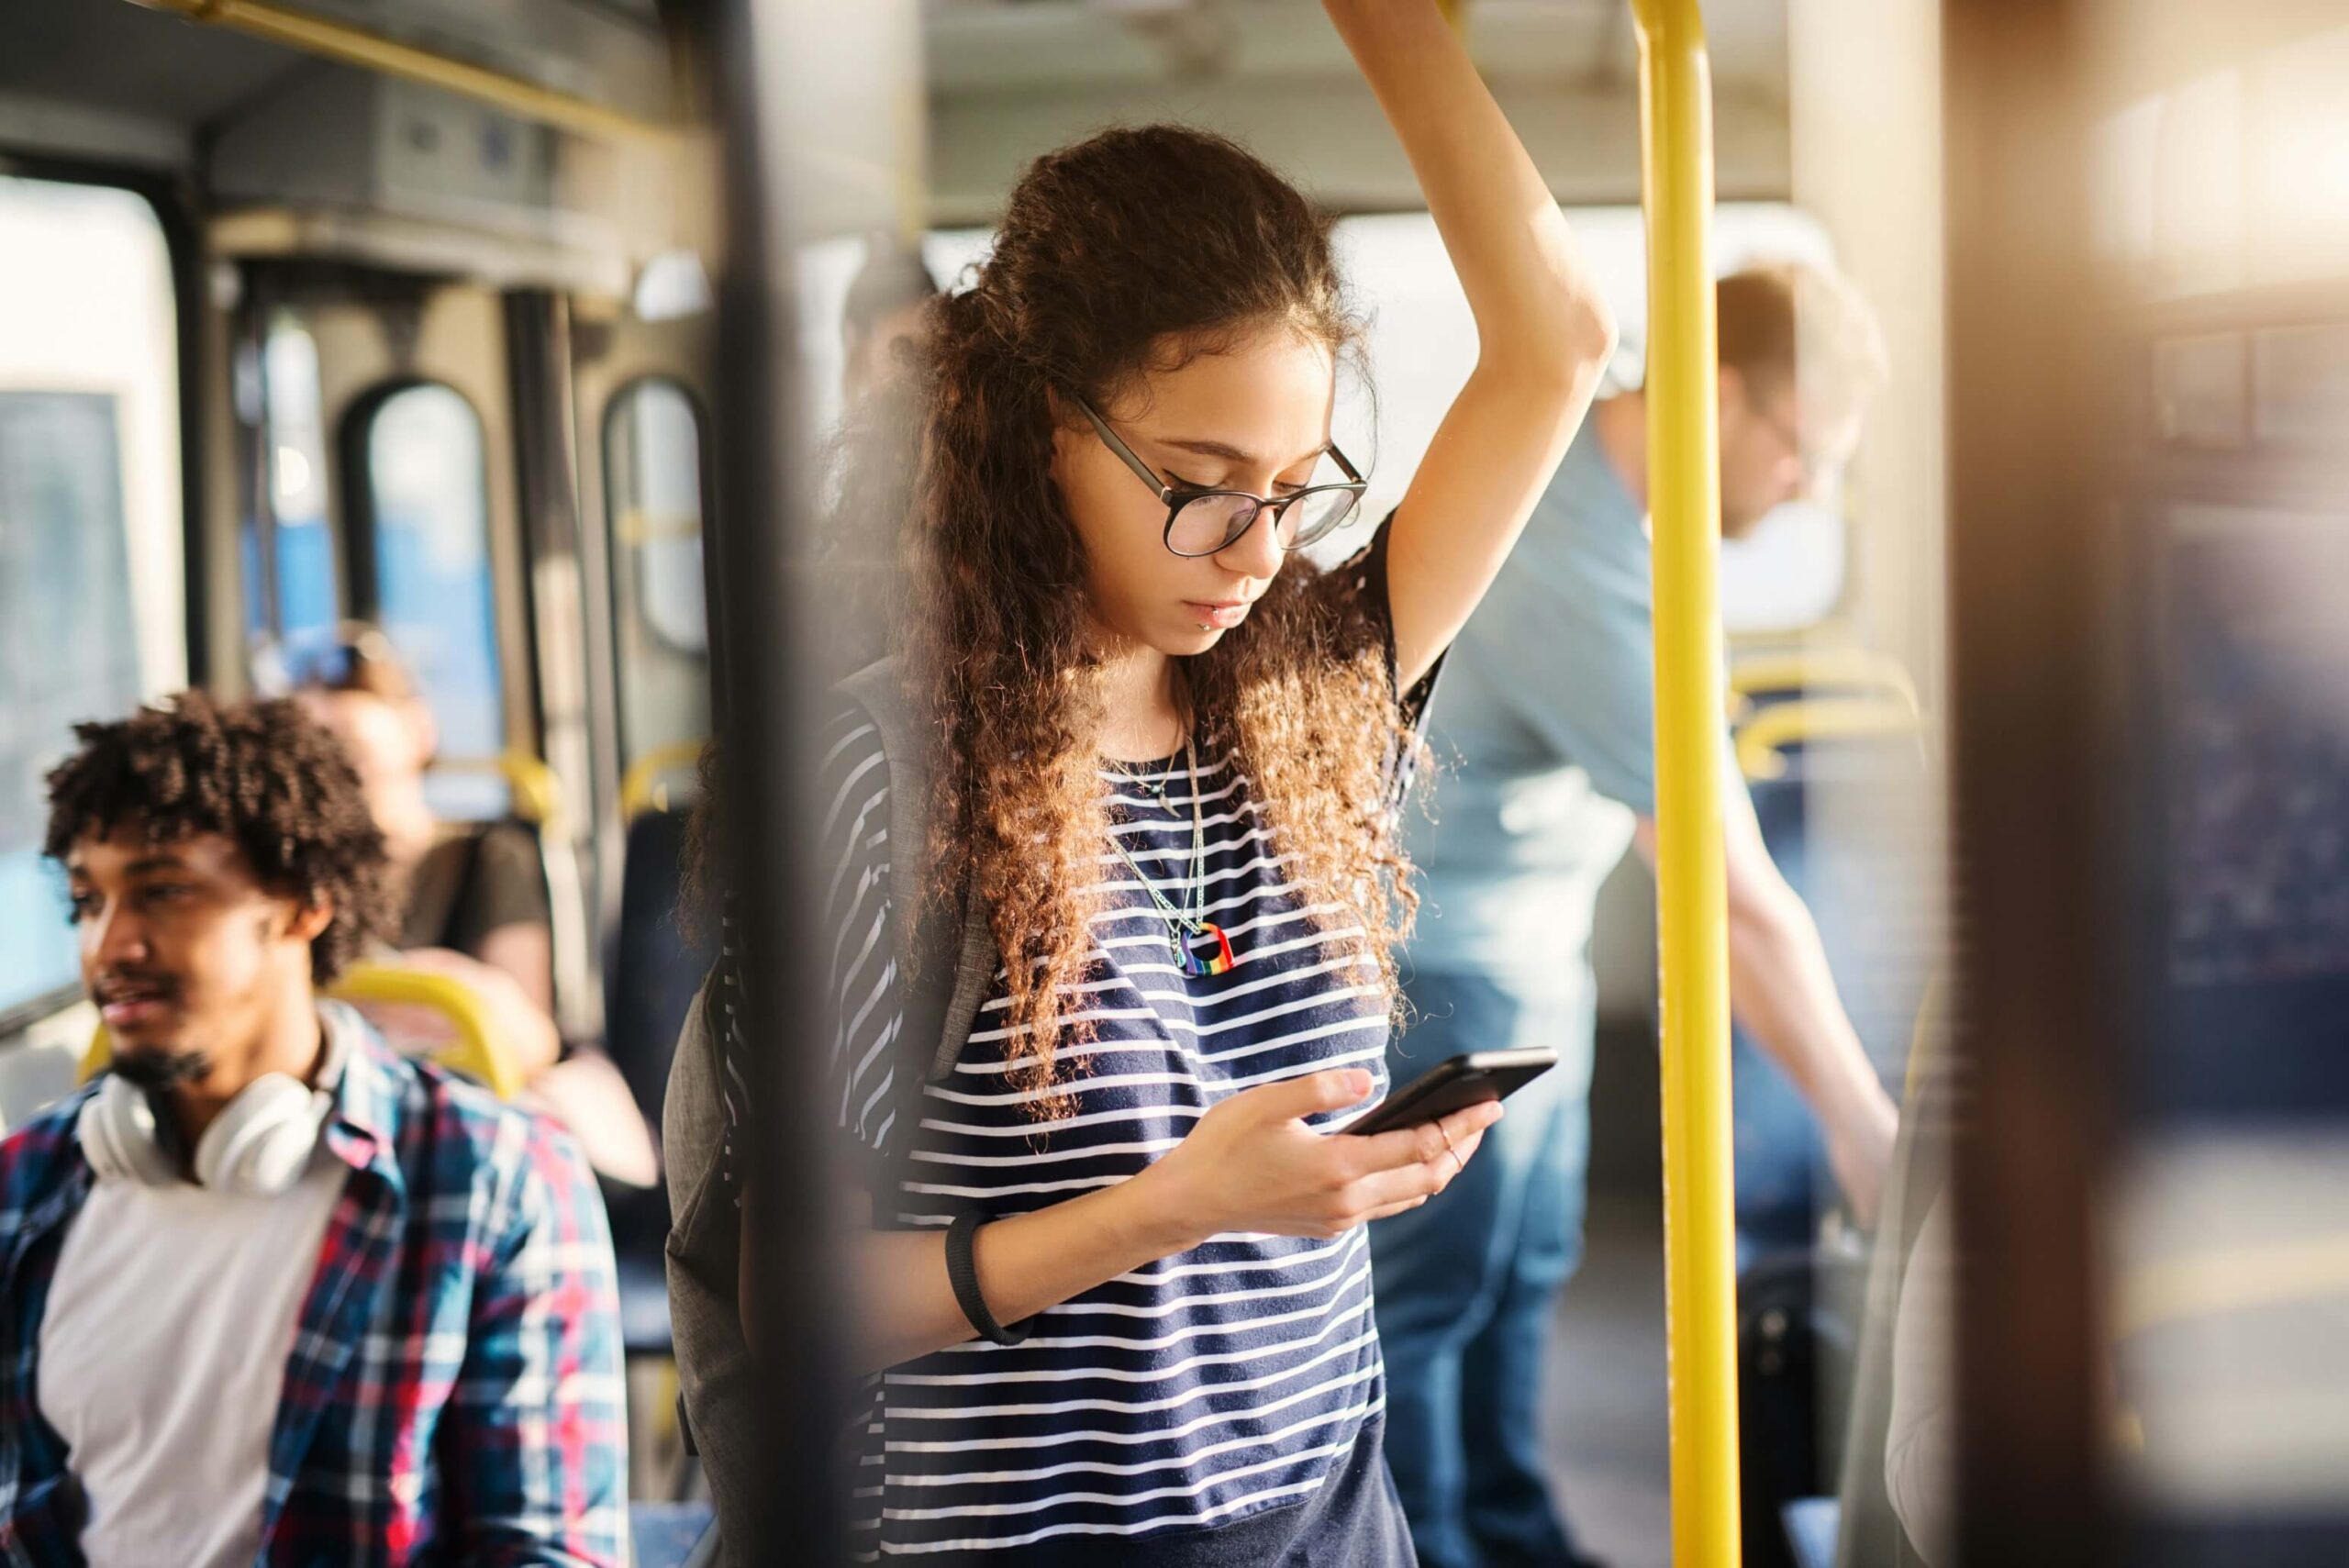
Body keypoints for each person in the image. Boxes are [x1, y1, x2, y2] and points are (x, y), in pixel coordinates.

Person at [685, 1, 1618, 1559]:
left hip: (1325, 1519)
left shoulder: (1313, 689)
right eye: (1198, 487)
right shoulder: (879, 769)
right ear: (1043, 434)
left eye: (1291, 485)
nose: (1256, 551)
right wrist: (1177, 1204)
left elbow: (1557, 341)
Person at [1370, 260, 1898, 1568]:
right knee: (1430, 1304)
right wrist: (1864, 1128)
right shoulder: (1574, 553)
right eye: (1803, 450)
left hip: (1525, 952)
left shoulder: (1634, 515)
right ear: (1722, 396)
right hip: (1440, 967)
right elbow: (1734, 898)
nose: (1808, 490)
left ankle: (1515, 1534)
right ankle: (1433, 1548)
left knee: (1520, 1277)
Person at [0, 692, 626, 1566]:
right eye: (87, 899)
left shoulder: (493, 1179)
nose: (111, 944)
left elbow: (545, 1550)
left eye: (163, 891)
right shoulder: (28, 1181)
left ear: (303, 904)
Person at [295, 630, 657, 1186]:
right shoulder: (302, 884)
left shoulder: (484, 858)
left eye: (353, 752)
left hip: (468, 1109)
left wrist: (409, 987)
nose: (336, 771)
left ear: (419, 732)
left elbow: (525, 1030)